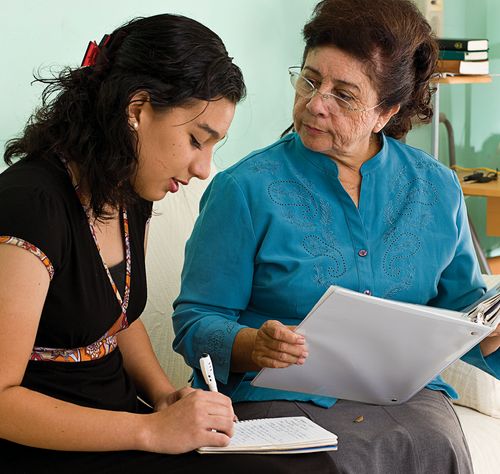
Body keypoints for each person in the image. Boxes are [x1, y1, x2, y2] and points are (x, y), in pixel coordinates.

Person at [0, 13, 338, 474]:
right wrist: (150, 431)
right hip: (52, 444)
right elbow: (2, 401)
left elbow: (117, 317)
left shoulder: (127, 189)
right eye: (198, 140)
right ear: (137, 110)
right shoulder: (30, 206)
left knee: (310, 467)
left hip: (123, 423)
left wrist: (166, 397)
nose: (203, 168)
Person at [172, 1, 500, 473]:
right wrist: (251, 344)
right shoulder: (243, 189)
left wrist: (491, 331)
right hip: (276, 396)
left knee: (434, 447)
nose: (315, 103)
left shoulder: (437, 188)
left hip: (403, 397)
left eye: (343, 95)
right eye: (309, 80)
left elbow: (464, 314)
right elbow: (196, 320)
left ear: (385, 112)